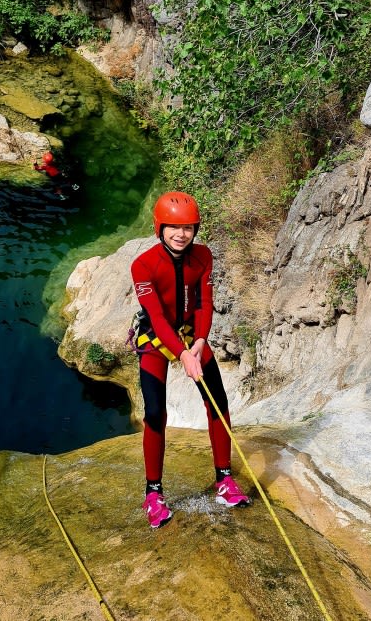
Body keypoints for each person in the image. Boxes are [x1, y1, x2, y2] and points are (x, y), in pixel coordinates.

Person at [130, 191, 250, 529]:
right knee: (155, 413)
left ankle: (224, 479)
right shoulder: (143, 265)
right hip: (156, 337)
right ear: (160, 227)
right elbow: (155, 315)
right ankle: (153, 494)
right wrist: (182, 354)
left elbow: (204, 303)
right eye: (173, 228)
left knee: (218, 402)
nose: (181, 235)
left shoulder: (203, 256)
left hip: (190, 335)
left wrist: (198, 343)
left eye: (188, 228)